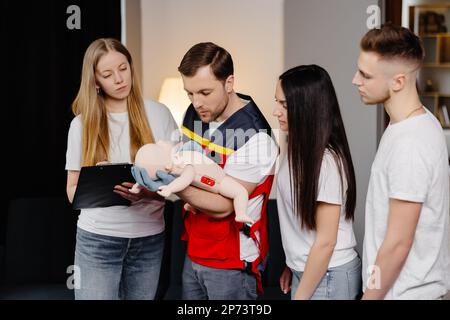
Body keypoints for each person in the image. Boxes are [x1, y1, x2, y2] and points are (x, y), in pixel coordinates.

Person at [133, 42, 279, 299]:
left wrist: (172, 180)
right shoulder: (195, 114)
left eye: (204, 92)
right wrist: (152, 189)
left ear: (230, 83)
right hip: (195, 251)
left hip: (231, 263)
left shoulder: (256, 138)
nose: (196, 103)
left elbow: (224, 206)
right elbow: (186, 164)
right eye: (189, 93)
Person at [65, 38, 178, 300]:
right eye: (107, 74)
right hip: (98, 240)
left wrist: (148, 194)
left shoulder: (158, 113)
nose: (119, 79)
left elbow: (178, 181)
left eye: (123, 68)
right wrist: (100, 185)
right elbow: (72, 192)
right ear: (95, 81)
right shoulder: (81, 126)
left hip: (149, 239)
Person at [352, 24, 450, 299]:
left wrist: (369, 297)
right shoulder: (411, 125)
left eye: (365, 75)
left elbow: (398, 243)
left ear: (398, 81)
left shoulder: (410, 142)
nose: (355, 81)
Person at [274, 65, 361, 300]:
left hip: (330, 273)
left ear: (306, 107)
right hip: (311, 269)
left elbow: (326, 241)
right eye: (277, 102)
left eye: (284, 104)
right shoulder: (295, 149)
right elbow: (301, 221)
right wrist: (293, 264)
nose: (276, 112)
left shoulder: (327, 162)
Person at [130, 140, 254, 224]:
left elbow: (149, 177)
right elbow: (185, 180)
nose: (161, 142)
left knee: (197, 187)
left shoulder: (171, 166)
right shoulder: (185, 164)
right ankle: (241, 213)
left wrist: (137, 186)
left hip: (208, 179)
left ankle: (192, 205)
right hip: (219, 182)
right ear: (167, 164)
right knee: (240, 192)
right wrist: (170, 188)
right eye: (160, 148)